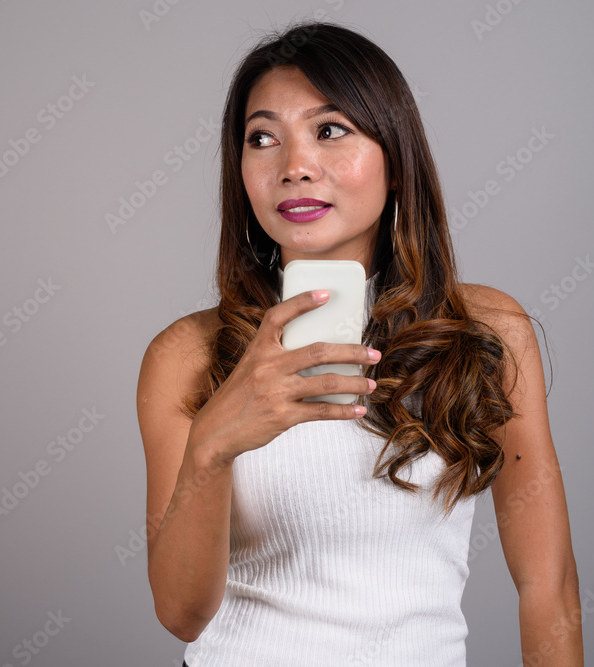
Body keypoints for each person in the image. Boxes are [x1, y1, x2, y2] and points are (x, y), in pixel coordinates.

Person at [135, 20, 583, 666]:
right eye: (263, 138)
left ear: (396, 159)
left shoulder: (486, 331)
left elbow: (548, 585)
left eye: (330, 130)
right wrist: (214, 443)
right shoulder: (187, 354)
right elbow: (180, 614)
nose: (294, 166)